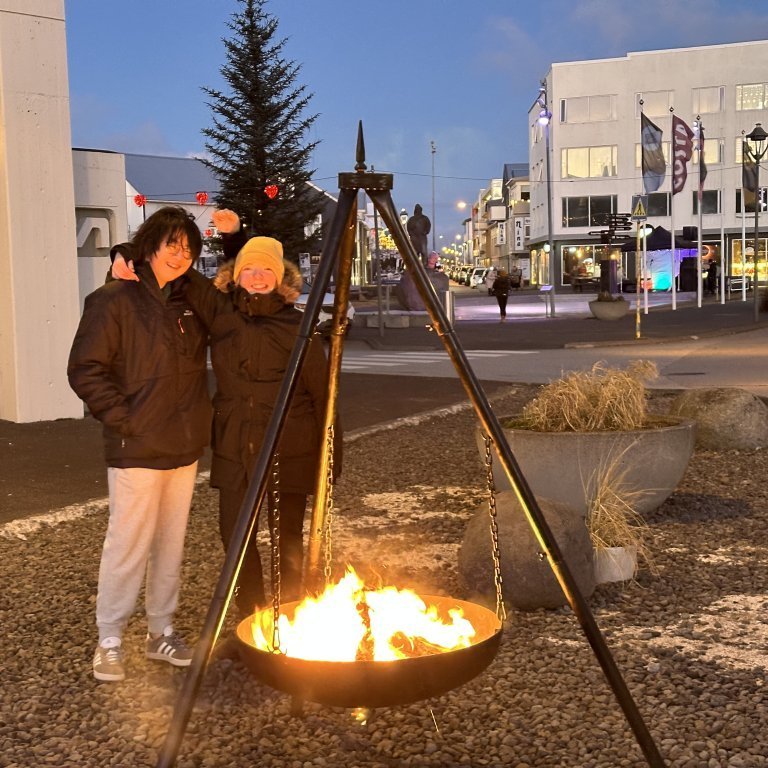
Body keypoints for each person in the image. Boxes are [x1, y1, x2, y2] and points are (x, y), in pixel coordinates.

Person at [112, 209, 338, 618]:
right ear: (236, 276)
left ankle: (291, 618)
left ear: (279, 277)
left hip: (292, 443)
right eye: (247, 269)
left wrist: (331, 453)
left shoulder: (298, 325)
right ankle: (250, 616)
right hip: (236, 440)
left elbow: (323, 394)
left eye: (264, 270)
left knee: (288, 536)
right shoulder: (221, 312)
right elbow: (174, 265)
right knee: (235, 534)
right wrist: (125, 252)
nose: (255, 276)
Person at [68, 206, 212, 682]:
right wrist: (123, 418)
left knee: (170, 545)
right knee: (128, 543)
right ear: (149, 245)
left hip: (183, 444)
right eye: (171, 244)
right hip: (136, 446)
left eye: (188, 248)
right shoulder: (113, 300)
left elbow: (235, 306)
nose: (180, 255)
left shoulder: (190, 301)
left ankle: (160, 630)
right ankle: (109, 638)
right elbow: (86, 368)